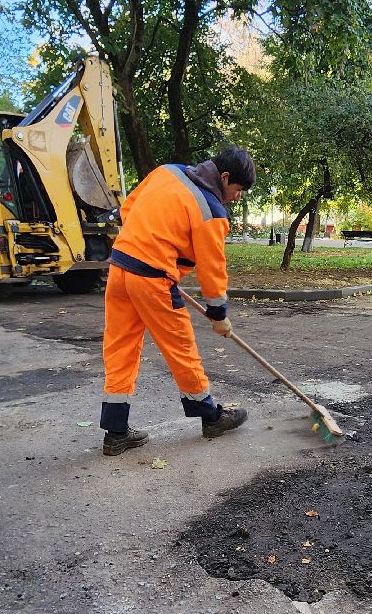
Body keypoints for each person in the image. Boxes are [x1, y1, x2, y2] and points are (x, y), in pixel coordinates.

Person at [99, 146, 256, 456]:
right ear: (224, 177)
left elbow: (128, 210)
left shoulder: (167, 171)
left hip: (119, 270)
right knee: (181, 349)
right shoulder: (210, 209)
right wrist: (218, 312)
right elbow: (213, 268)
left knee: (120, 349)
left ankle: (115, 433)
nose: (237, 197)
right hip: (152, 279)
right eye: (237, 189)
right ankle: (211, 418)